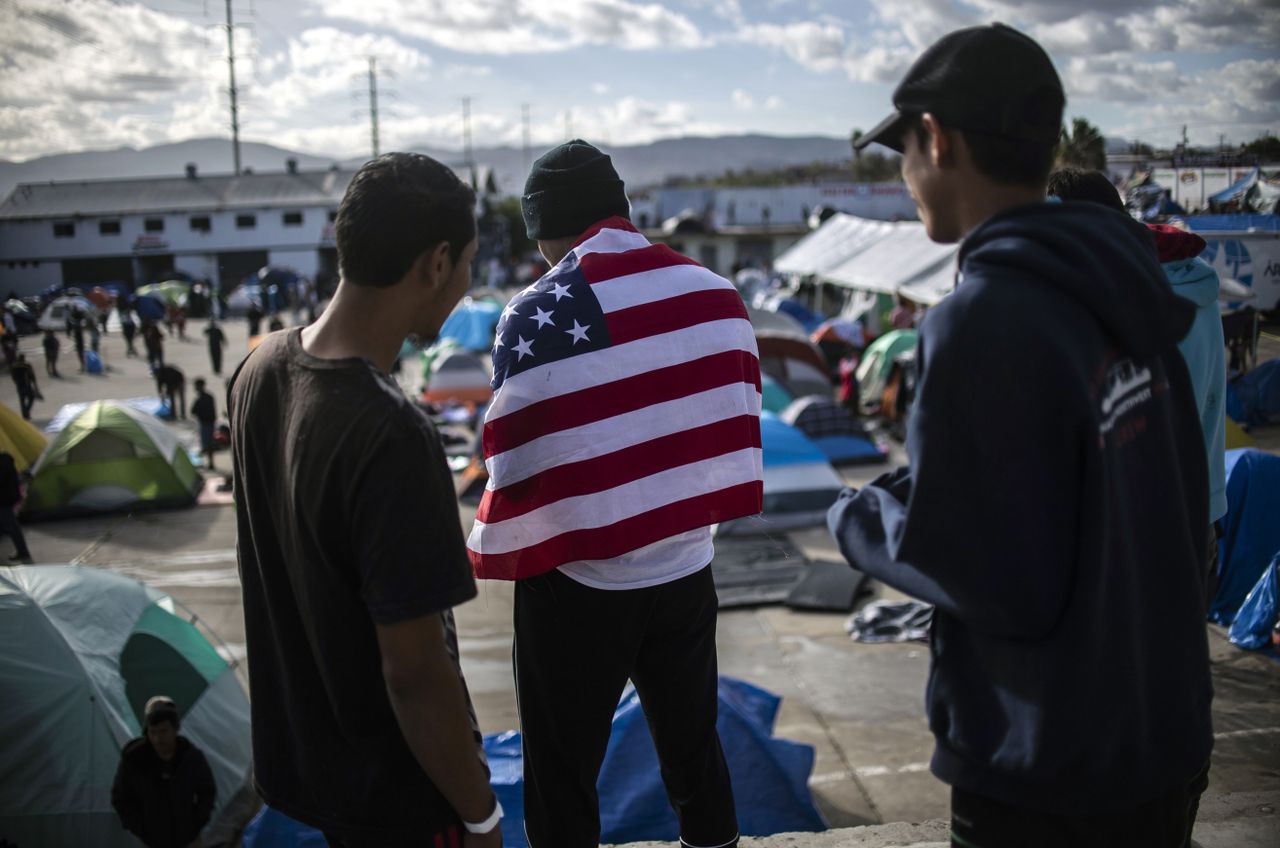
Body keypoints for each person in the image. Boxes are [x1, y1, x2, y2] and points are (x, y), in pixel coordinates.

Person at [832, 24, 1212, 846]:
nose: (905, 178)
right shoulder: (1123, 284)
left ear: (936, 138)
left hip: (1044, 768)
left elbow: (987, 576)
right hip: (1162, 735)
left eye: (903, 153)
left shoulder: (979, 320)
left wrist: (859, 522)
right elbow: (1179, 497)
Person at [472, 140, 761, 848]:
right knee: (694, 750)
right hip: (686, 567)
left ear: (544, 226)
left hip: (579, 583)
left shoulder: (536, 312)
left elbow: (513, 465)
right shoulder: (713, 292)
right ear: (622, 209)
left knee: (561, 773)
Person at [228, 153, 500, 846]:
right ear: (437, 263)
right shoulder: (392, 434)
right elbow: (412, 669)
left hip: (317, 781)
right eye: (468, 262)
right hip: (400, 799)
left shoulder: (259, 368)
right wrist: (480, 813)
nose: (467, 284)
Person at [1049, 167, 1229, 596]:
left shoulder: (1118, 302)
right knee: (1178, 658)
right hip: (1199, 507)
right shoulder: (1195, 279)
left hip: (1135, 525)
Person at [111, 696, 216, 848]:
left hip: (187, 840)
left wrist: (195, 826)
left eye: (163, 732)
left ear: (175, 729)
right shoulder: (134, 759)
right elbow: (120, 798)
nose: (158, 739)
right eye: (153, 732)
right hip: (152, 841)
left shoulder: (190, 757)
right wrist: (140, 830)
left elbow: (207, 791)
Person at [0, 452, 32, 563]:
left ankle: (23, 552)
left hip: (3, 499)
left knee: (12, 526)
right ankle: (22, 552)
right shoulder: (6, 459)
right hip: (8, 498)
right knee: (10, 526)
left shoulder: (3, 462)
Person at [191, 378, 217, 471]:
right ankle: (210, 463)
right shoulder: (209, 397)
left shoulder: (200, 399)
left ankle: (209, 463)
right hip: (210, 422)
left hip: (205, 423)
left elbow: (193, 411)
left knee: (206, 444)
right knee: (209, 444)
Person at [10, 353, 40, 420]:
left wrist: (16, 383)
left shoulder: (14, 366)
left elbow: (13, 377)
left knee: (22, 401)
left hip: (19, 386)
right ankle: (27, 411)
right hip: (27, 385)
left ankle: (24, 415)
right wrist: (35, 386)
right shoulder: (27, 365)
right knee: (31, 398)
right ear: (24, 358)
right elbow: (32, 376)